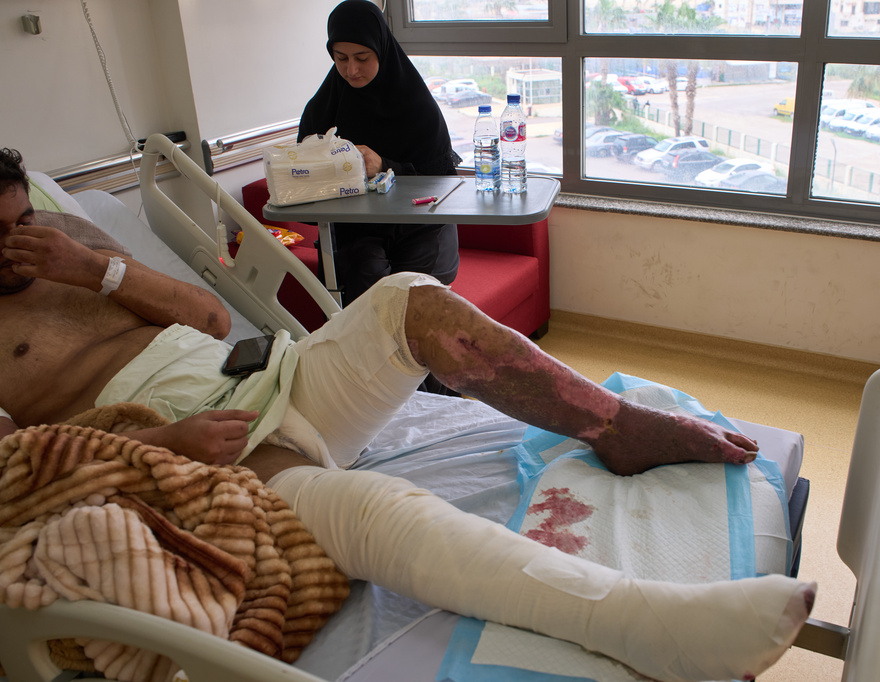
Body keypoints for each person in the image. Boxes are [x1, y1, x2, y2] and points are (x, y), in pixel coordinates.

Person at [0, 148, 814, 682]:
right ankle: (641, 625)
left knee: (407, 298)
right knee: (360, 507)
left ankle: (616, 427)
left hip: (266, 377)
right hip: (196, 452)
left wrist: (95, 268)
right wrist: (161, 442)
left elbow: (210, 320)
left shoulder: (69, 238)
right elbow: (21, 473)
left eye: (22, 220)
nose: (18, 243)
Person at [298, 0, 460, 307]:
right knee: (364, 282)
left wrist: (386, 166)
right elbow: (303, 190)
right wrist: (331, 167)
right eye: (340, 58)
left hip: (421, 223)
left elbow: (442, 183)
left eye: (362, 57)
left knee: (413, 292)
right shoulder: (323, 109)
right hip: (354, 227)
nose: (351, 70)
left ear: (382, 51)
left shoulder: (417, 107)